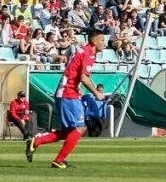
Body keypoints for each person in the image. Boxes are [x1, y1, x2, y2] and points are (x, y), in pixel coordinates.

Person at [26, 29, 106, 169]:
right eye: (102, 40)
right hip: (68, 93)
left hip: (68, 91)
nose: (104, 43)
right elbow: (83, 77)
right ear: (94, 41)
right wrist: (96, 93)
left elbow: (74, 70)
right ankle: (59, 160)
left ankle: (37, 141)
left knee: (70, 131)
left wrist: (77, 85)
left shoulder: (83, 50)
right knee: (80, 128)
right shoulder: (88, 54)